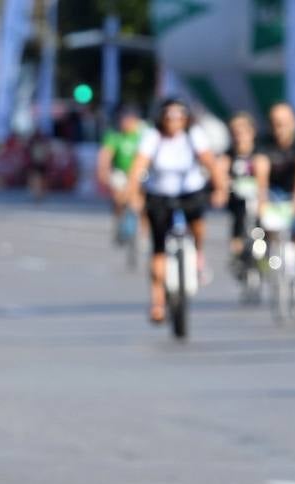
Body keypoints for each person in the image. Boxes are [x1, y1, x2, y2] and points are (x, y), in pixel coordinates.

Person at [126, 98, 226, 324]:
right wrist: (133, 193)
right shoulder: (153, 136)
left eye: (179, 116)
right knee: (159, 250)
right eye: (169, 116)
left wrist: (220, 187)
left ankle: (198, 255)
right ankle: (158, 302)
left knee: (198, 224)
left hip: (189, 191)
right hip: (160, 194)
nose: (174, 121)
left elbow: (210, 162)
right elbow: (139, 165)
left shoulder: (194, 135)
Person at [253, 101, 295, 300]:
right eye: (275, 123)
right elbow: (261, 171)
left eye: (283, 123)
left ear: (293, 123)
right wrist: (262, 200)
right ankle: (270, 256)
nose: (279, 128)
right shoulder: (264, 143)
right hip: (275, 191)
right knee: (267, 224)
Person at [215, 111, 260, 276]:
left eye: (243, 131)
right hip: (238, 200)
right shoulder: (228, 155)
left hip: (258, 198)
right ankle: (237, 253)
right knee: (238, 221)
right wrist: (222, 186)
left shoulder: (260, 152)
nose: (239, 136)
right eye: (235, 132)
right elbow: (221, 172)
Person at [96, 108, 146, 244]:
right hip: (121, 171)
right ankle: (119, 218)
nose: (127, 124)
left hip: (140, 172)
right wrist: (103, 171)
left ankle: (143, 232)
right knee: (119, 195)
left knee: (142, 202)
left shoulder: (144, 134)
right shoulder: (114, 135)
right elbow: (105, 155)